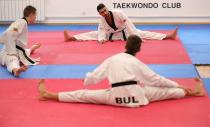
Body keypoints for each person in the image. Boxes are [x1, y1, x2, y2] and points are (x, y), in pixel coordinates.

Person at [38, 35, 204, 108]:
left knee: (84, 95)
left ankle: (49, 95)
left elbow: (94, 77)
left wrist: (87, 80)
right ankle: (193, 92)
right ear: (138, 49)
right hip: (138, 96)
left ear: (125, 46)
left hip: (114, 97)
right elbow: (156, 79)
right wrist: (178, 85)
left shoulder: (113, 59)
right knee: (168, 92)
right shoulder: (137, 62)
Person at [64, 3, 178, 44]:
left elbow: (129, 25)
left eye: (104, 10)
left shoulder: (118, 13)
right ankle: (72, 38)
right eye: (101, 12)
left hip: (125, 32)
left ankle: (168, 36)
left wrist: (136, 36)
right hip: (112, 35)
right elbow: (101, 30)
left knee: (142, 33)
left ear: (106, 8)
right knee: (93, 34)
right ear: (100, 14)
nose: (104, 12)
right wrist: (101, 39)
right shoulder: (102, 20)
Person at [0, 5, 41, 77]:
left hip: (9, 51)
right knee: (13, 61)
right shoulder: (22, 23)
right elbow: (9, 33)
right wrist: (11, 51)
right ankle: (16, 70)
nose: (35, 18)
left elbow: (11, 32)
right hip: (10, 54)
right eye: (35, 16)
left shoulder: (21, 21)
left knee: (23, 53)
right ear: (31, 15)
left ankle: (31, 49)